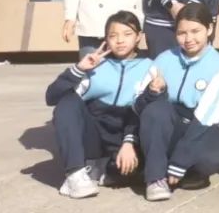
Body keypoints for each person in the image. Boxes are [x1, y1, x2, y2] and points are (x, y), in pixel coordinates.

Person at [47, 11, 152, 198]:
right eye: (113, 35)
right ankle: (75, 173)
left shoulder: (149, 67)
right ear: (106, 40)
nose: (120, 40)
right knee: (68, 101)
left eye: (127, 34)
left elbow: (146, 110)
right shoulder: (96, 66)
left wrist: (129, 141)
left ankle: (98, 171)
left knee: (134, 171)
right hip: (94, 138)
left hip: (126, 139)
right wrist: (79, 69)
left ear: (139, 37)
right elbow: (51, 97)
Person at [136, 2, 219, 201]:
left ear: (209, 29)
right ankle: (155, 178)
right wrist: (153, 92)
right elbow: (137, 105)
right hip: (169, 123)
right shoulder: (163, 59)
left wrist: (180, 161)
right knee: (156, 110)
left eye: (195, 31)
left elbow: (206, 116)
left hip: (199, 126)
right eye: (182, 33)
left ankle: (185, 172)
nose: (188, 39)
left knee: (212, 156)